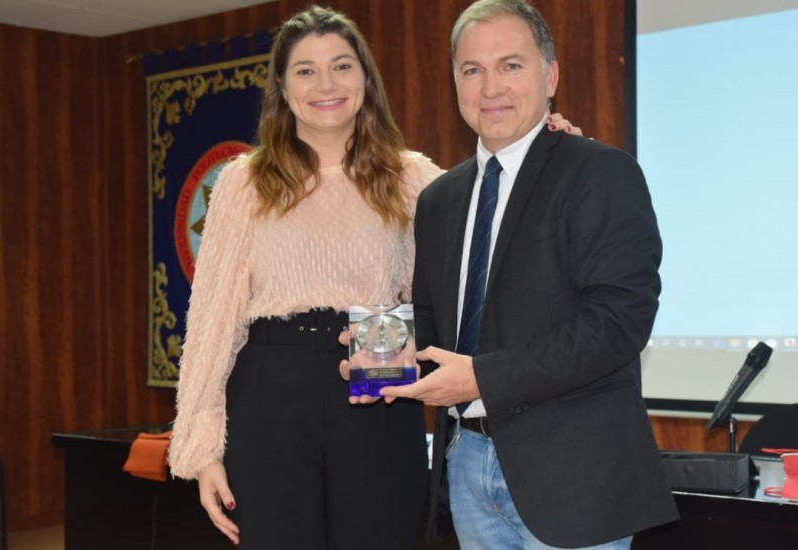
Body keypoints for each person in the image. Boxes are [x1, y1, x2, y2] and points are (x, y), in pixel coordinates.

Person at [168, 5, 578, 548]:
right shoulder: (244, 184)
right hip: (269, 397)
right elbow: (212, 322)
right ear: (283, 89)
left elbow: (499, 223)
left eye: (341, 66)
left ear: (366, 79)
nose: (326, 85)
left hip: (378, 388)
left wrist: (551, 143)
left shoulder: (417, 179)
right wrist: (201, 451)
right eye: (305, 71)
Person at [381, 0, 680, 548]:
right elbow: (434, 323)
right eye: (472, 69)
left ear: (551, 75)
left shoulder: (601, 173)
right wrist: (389, 349)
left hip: (575, 479)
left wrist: (482, 379)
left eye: (511, 65)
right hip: (466, 466)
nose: (490, 86)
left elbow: (619, 322)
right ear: (455, 83)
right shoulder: (439, 200)